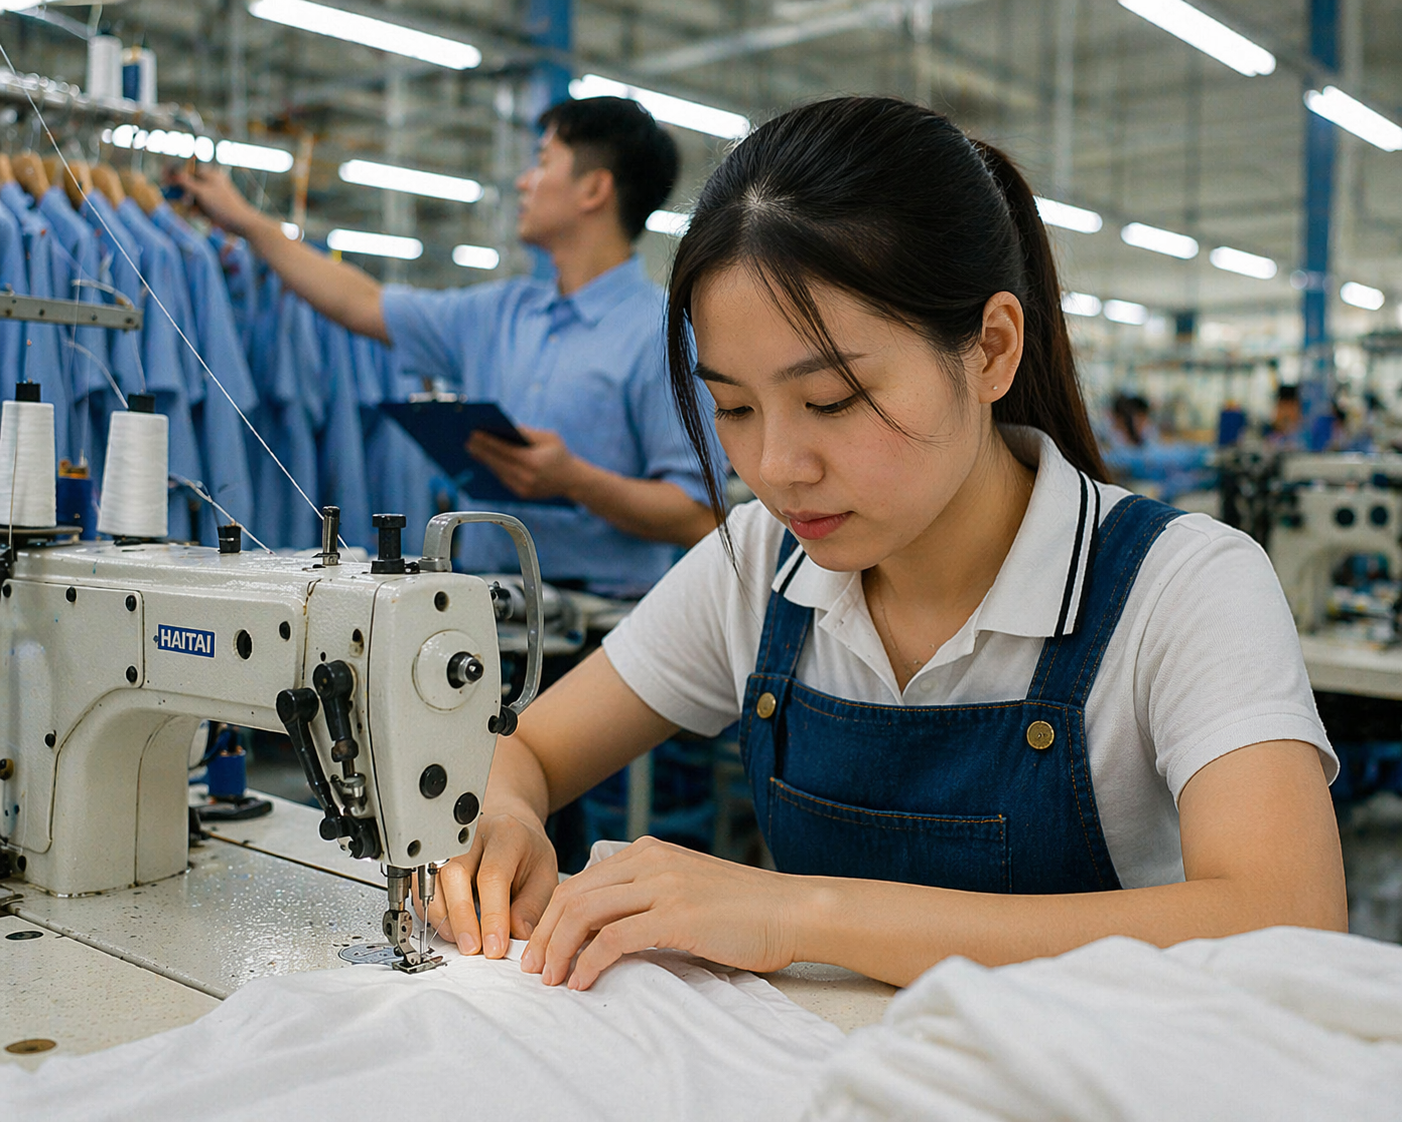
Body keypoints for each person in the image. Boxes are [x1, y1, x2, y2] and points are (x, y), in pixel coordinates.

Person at [422, 97, 1346, 989]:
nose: (777, 466)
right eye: (734, 408)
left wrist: (796, 914)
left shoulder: (1180, 587)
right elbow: (528, 748)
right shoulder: (758, 568)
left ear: (989, 349)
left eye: (831, 401)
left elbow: (1287, 919)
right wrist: (502, 815)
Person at [176, 96, 715, 596]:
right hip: (486, 610)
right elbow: (361, 303)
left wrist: (576, 481)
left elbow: (700, 516)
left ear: (594, 189)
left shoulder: (662, 332)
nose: (524, 182)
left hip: (605, 625)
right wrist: (246, 221)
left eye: (543, 162)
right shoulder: (498, 314)